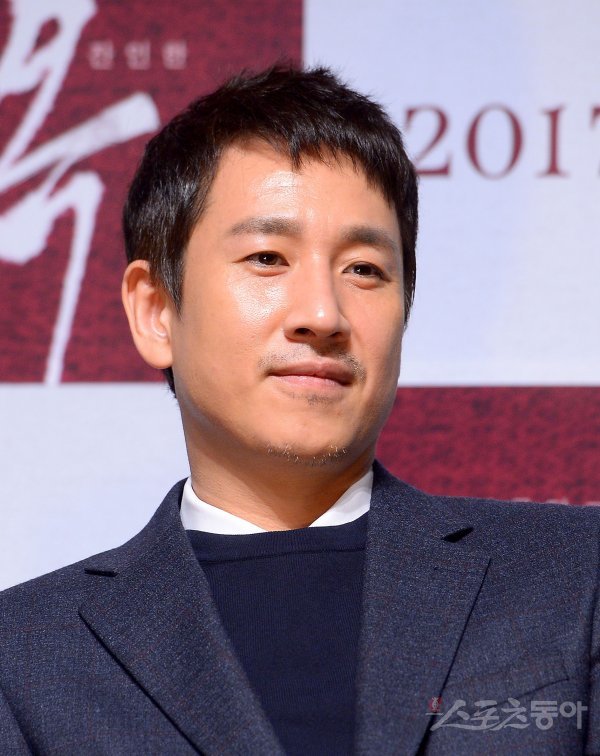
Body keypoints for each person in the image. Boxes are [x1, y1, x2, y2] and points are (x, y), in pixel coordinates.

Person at [0, 65, 599, 756]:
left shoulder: (573, 578)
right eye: (267, 257)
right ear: (156, 310)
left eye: (365, 269)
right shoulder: (26, 655)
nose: (323, 313)